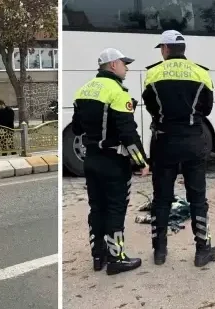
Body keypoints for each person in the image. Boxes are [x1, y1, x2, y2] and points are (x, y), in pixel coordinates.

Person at [142, 30, 215, 267]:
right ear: (183, 50)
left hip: (164, 142)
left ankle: (159, 252)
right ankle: (202, 250)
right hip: (193, 141)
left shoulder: (152, 73)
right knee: (197, 198)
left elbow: (151, 106)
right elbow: (206, 109)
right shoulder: (201, 73)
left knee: (161, 198)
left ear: (165, 50)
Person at [72, 47, 148, 275]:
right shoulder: (118, 92)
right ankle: (117, 258)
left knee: (97, 208)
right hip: (114, 162)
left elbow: (77, 128)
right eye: (124, 64)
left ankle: (99, 255)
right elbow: (128, 133)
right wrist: (141, 162)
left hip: (91, 160)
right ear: (113, 65)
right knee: (116, 208)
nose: (127, 68)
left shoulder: (83, 90)